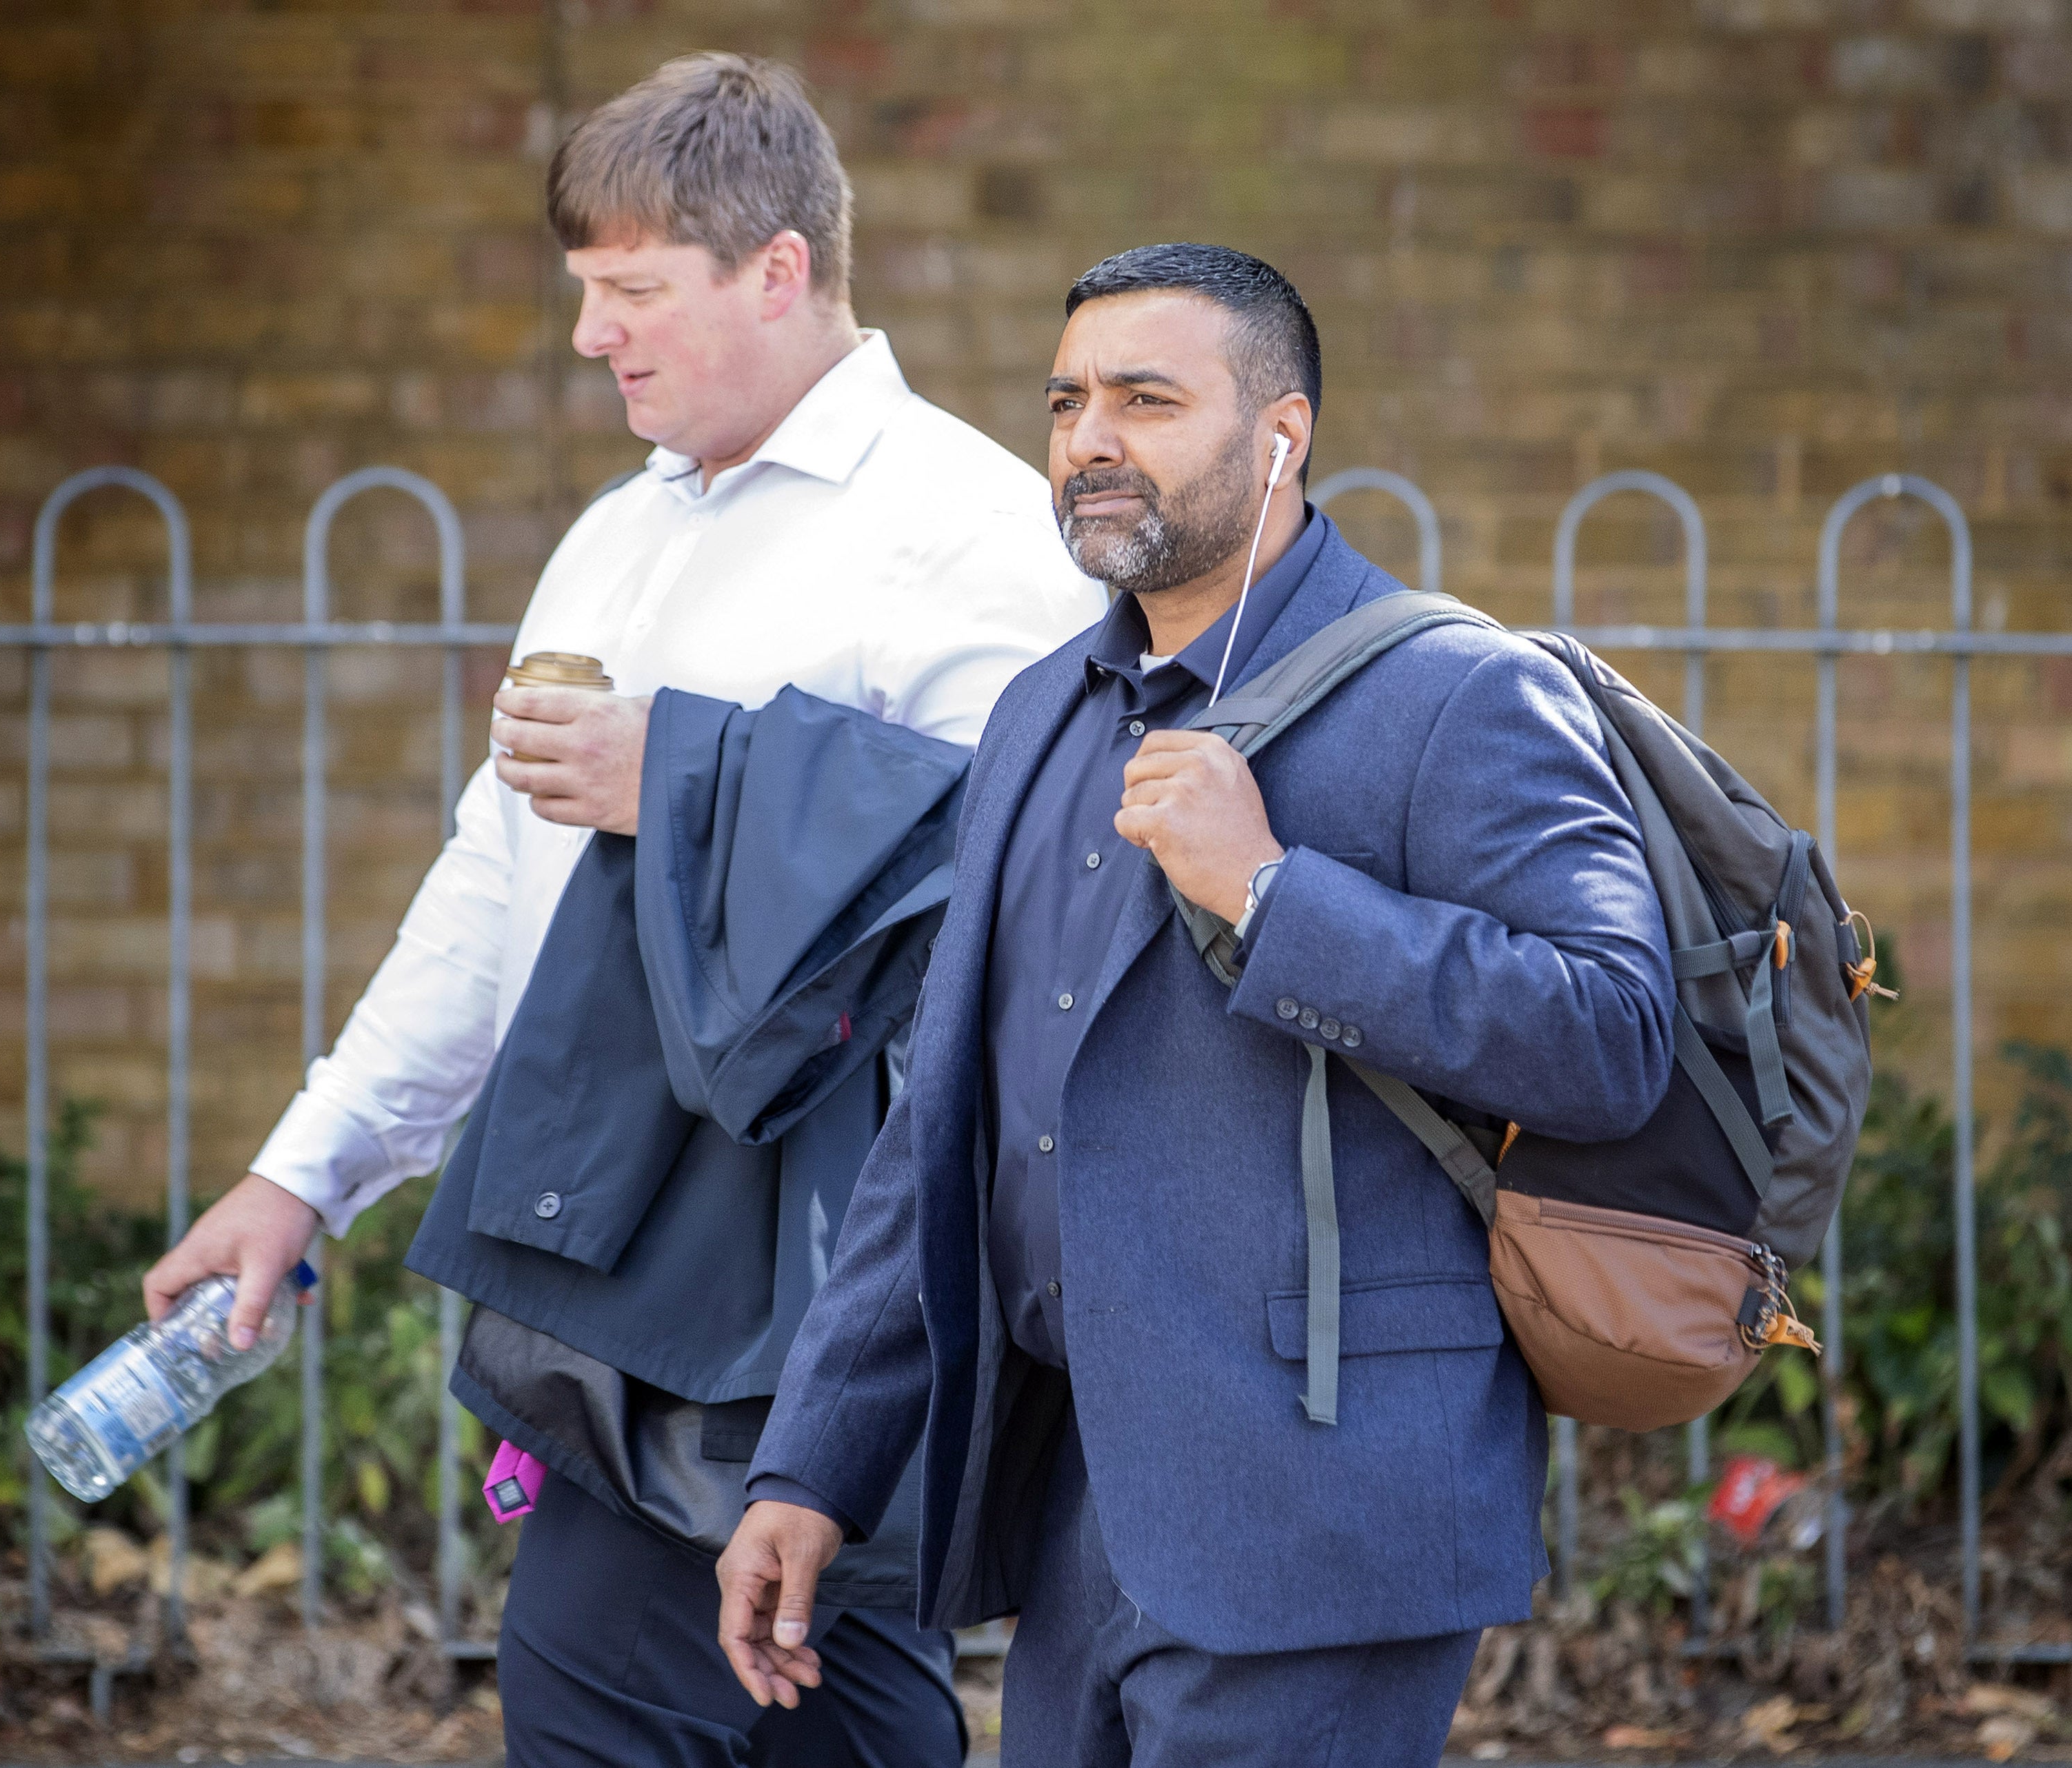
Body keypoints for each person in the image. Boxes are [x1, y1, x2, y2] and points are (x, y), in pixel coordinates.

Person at [141, 53, 1102, 1768]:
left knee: (746, 1697)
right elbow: (490, 890)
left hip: (814, 1284)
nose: (595, 337)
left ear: (779, 271)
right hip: (615, 1264)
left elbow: (1046, 878)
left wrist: (693, 774)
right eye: (590, 293)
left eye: (635, 293)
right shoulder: (611, 540)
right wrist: (308, 1171)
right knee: (700, 1694)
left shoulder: (967, 533)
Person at [718, 243, 1678, 1767]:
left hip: (1320, 1513)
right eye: (1065, 401)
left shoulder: (1454, 694)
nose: (1089, 437)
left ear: (1279, 434)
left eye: (1145, 399)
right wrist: (811, 1465)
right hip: (1072, 1503)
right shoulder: (1041, 711)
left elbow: (1610, 1036)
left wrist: (1276, 894)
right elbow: (944, 1128)